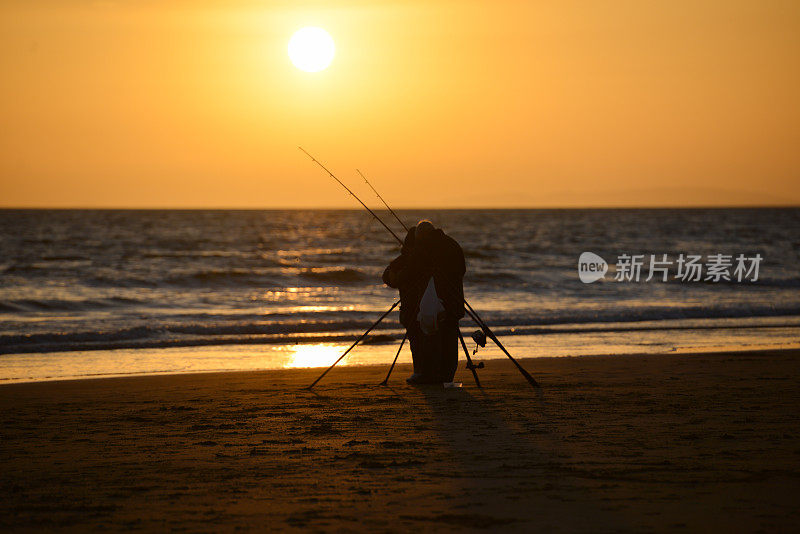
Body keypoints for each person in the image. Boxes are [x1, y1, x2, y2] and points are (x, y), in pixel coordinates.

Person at [382, 220, 466, 384]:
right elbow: (461, 270)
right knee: (449, 339)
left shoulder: (423, 250)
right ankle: (446, 376)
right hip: (453, 302)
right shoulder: (452, 245)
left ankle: (425, 374)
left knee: (426, 337)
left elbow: (404, 275)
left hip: (430, 306)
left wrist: (393, 274)